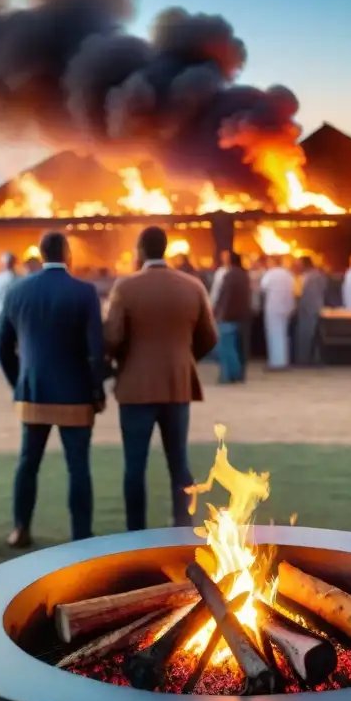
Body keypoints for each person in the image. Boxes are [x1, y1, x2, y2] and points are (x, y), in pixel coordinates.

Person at [0, 232, 106, 547]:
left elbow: (2, 347)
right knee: (79, 466)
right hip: (76, 394)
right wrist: (97, 390)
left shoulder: (16, 291)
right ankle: (81, 535)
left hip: (33, 392)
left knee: (28, 462)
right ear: (68, 254)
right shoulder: (84, 292)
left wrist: (19, 380)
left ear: (41, 255)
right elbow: (95, 350)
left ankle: (20, 529)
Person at [105, 226, 218, 531]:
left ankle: (135, 530)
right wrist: (184, 358)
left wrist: (117, 360)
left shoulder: (125, 287)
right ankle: (182, 525)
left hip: (135, 387)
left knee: (134, 466)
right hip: (177, 384)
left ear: (140, 249)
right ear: (165, 248)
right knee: (178, 462)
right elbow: (209, 337)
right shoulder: (193, 286)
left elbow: (112, 337)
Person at [214, 252, 252, 384]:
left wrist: (218, 314)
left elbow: (224, 297)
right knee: (238, 347)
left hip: (228, 317)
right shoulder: (244, 275)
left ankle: (229, 375)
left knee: (226, 347)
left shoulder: (229, 276)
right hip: (242, 316)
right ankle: (239, 374)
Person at [260, 256, 296, 369]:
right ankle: (283, 360)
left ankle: (276, 362)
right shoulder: (288, 274)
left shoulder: (270, 274)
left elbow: (263, 287)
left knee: (273, 334)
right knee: (284, 334)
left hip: (273, 307)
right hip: (287, 307)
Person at [294, 256, 327, 366]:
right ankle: (316, 360)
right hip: (318, 309)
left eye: (299, 263)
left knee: (305, 336)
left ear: (304, 264)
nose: (297, 266)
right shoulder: (320, 276)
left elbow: (299, 294)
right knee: (316, 336)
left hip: (306, 310)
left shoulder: (306, 277)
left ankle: (303, 361)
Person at [0, 252, 18, 349]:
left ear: (2, 264)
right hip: (17, 321)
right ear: (15, 263)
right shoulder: (22, 280)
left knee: (0, 350)